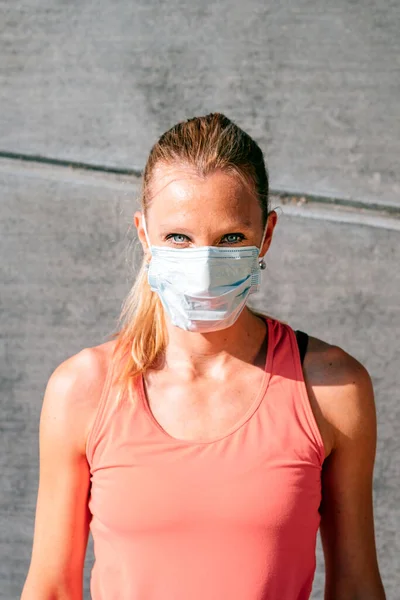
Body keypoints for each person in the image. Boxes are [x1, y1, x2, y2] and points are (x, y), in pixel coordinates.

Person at [21, 113, 385, 600]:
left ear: (267, 236)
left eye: (231, 239)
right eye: (179, 238)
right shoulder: (83, 390)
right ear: (145, 235)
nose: (203, 264)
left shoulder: (332, 389)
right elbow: (50, 589)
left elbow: (357, 587)